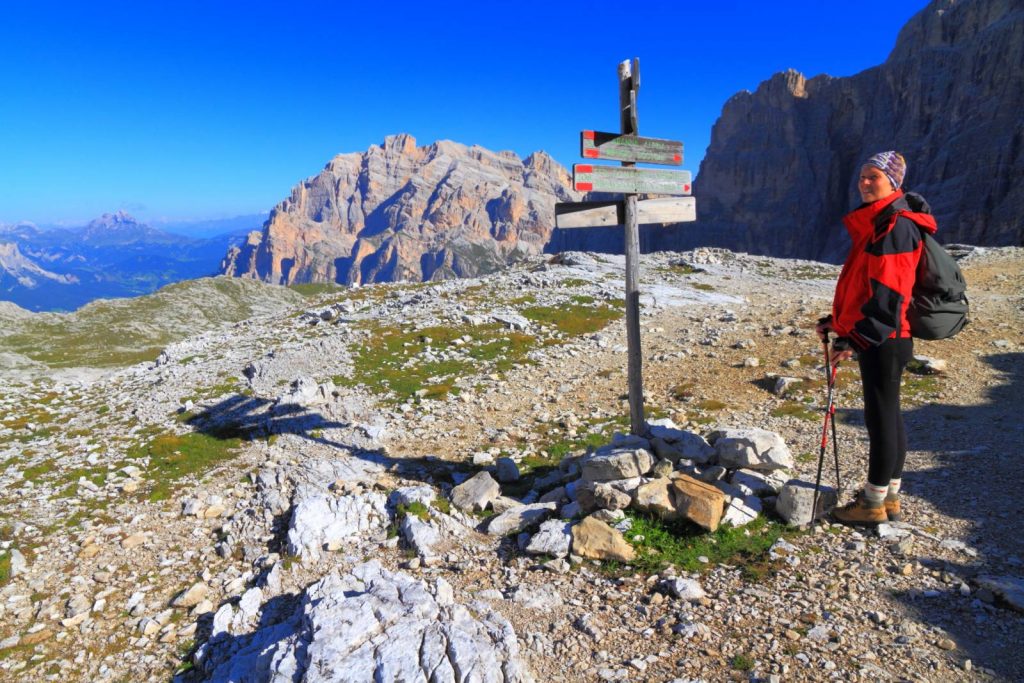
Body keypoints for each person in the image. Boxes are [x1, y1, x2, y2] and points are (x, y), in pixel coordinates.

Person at [815, 151, 937, 525]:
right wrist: (837, 323)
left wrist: (855, 340)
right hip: (888, 335)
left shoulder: (895, 226)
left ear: (893, 183)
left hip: (886, 336)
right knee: (888, 415)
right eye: (862, 176)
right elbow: (864, 289)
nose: (864, 183)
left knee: (880, 418)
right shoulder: (881, 223)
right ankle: (890, 498)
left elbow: (889, 293)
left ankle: (871, 504)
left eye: (874, 177)